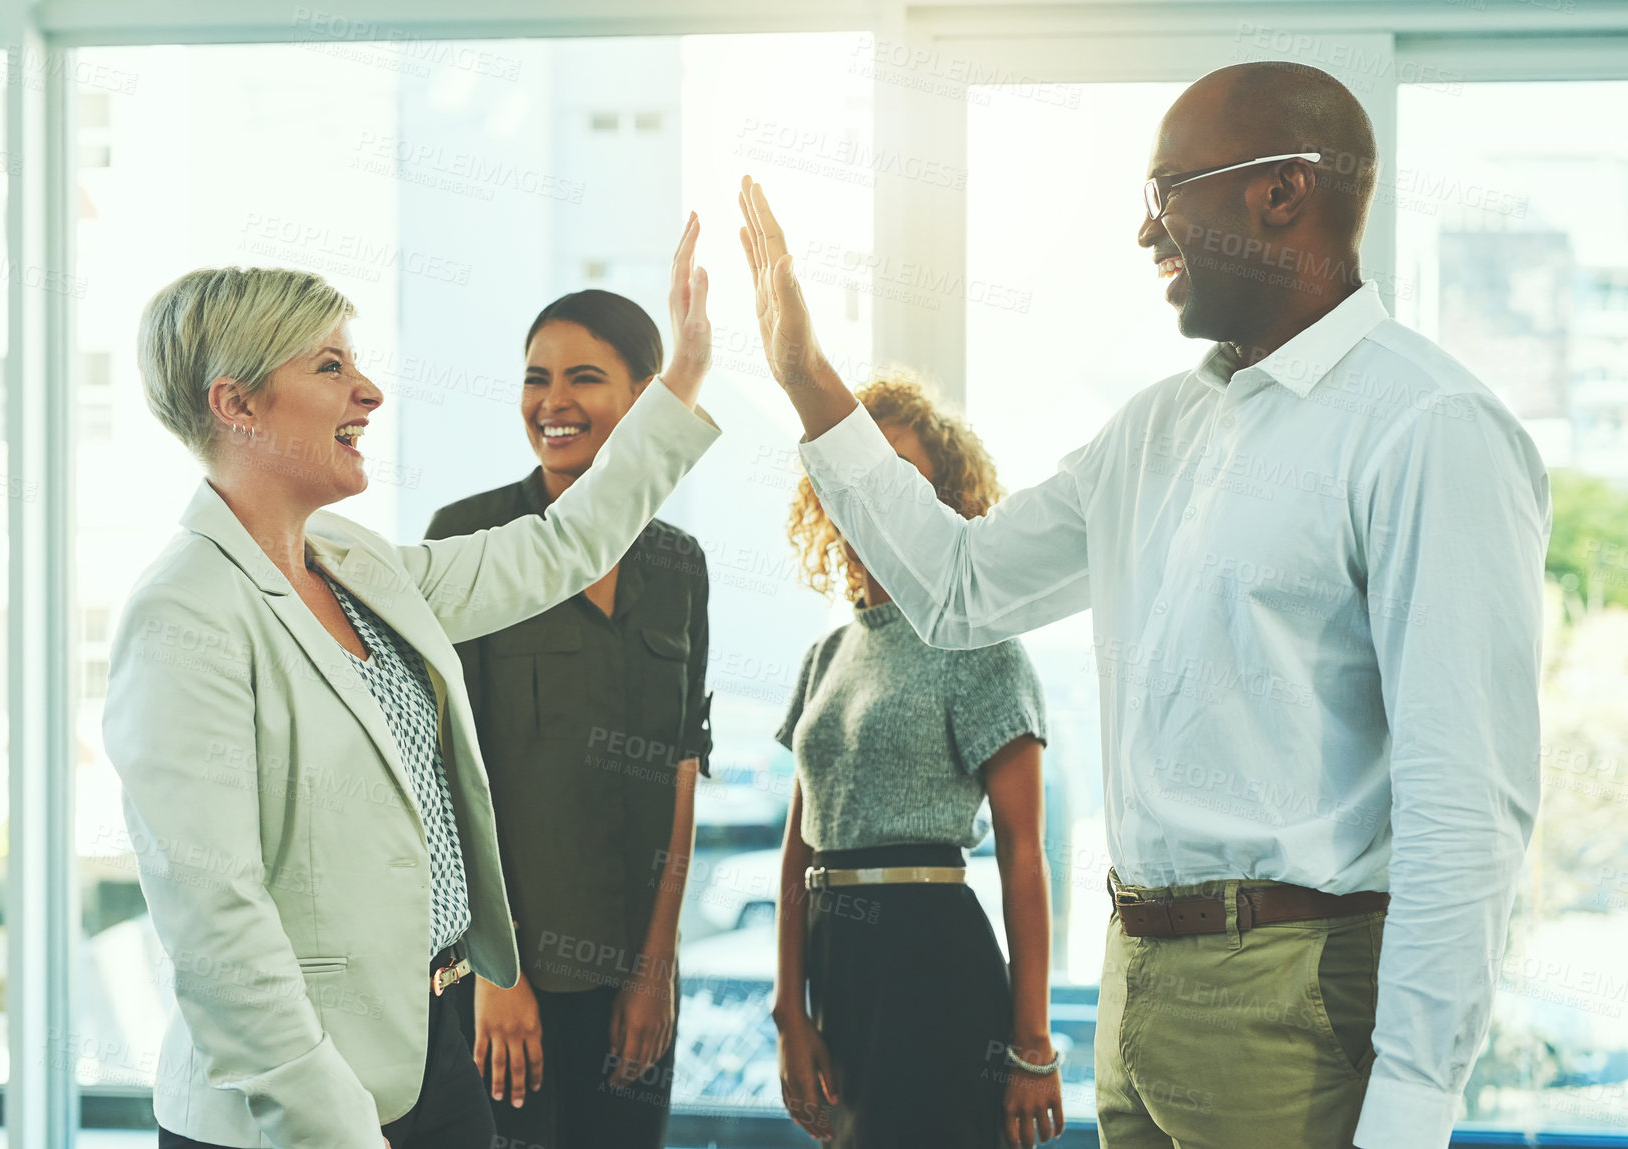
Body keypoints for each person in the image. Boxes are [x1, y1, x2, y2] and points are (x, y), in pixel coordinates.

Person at [737, 60, 1550, 1149]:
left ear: (1281, 191)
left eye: (1168, 189)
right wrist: (803, 377)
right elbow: (960, 587)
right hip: (1136, 985)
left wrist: (1408, 1113)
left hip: (1292, 1003)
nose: (1142, 232)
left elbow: (1466, 809)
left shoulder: (1426, 426)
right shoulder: (1153, 430)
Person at [102, 216, 716, 1149]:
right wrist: (335, 1127)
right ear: (237, 403)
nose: (369, 391)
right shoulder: (182, 614)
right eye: (330, 367)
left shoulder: (352, 559)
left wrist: (680, 385)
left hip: (433, 1053)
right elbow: (218, 930)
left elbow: (557, 547)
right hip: (302, 1108)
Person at [424, 289, 712, 1148]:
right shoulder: (469, 537)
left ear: (645, 396)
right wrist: (495, 975)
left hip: (633, 979)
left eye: (584, 377)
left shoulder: (678, 564)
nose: (553, 402)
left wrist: (655, 971)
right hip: (506, 986)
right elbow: (444, 779)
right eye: (535, 379)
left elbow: (680, 771)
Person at [770, 371, 1064, 1149]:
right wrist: (787, 1010)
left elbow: (1024, 856)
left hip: (932, 961)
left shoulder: (978, 641)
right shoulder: (826, 653)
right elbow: (797, 848)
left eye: (897, 477)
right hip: (837, 967)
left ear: (940, 497)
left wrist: (1031, 1045)